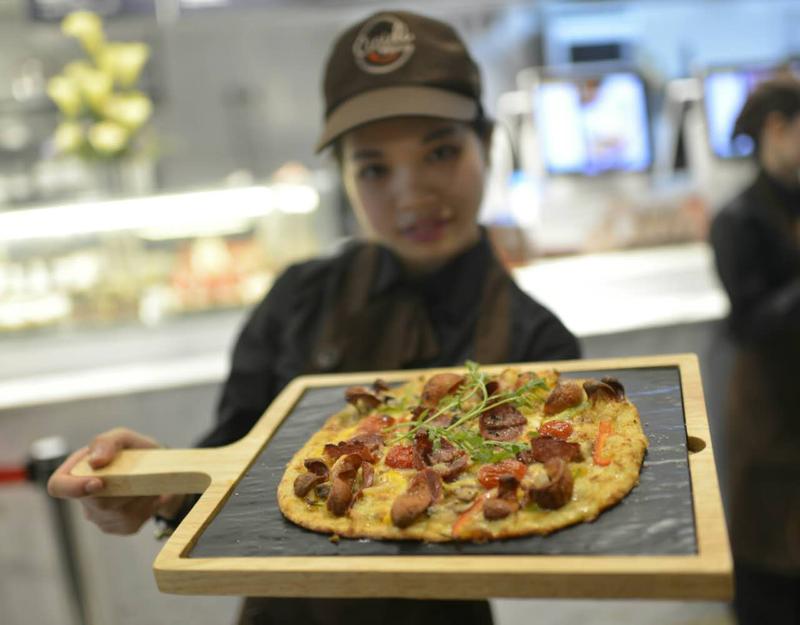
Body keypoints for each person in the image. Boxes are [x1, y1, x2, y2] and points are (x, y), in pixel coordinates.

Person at [47, 10, 580, 624]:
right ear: (346, 181)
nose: (413, 193)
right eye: (375, 168)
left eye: (440, 151)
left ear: (486, 146)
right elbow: (232, 456)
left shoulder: (539, 343)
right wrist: (158, 489)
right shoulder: (299, 297)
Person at [709, 76, 800, 625]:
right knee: (768, 541)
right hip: (770, 402)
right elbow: (748, 321)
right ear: (778, 128)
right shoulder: (736, 219)